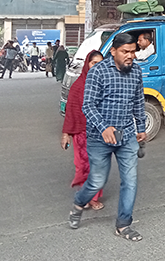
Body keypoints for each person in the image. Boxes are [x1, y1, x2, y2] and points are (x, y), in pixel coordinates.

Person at [69, 33, 147, 242]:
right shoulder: (98, 72)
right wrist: (104, 128)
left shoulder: (136, 72)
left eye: (132, 51)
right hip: (99, 138)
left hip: (127, 135)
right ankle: (78, 205)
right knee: (96, 181)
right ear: (113, 52)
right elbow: (88, 105)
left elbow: (138, 101)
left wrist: (141, 127)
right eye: (125, 52)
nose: (130, 56)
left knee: (130, 181)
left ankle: (123, 225)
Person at [62, 51, 105, 211]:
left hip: (100, 133)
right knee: (83, 166)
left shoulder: (105, 84)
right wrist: (66, 134)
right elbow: (71, 112)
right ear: (87, 64)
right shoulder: (78, 86)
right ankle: (86, 195)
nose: (97, 67)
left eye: (100, 64)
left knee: (98, 166)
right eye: (94, 63)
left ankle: (92, 197)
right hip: (81, 134)